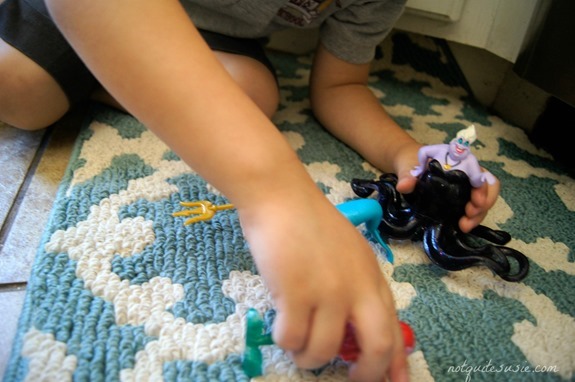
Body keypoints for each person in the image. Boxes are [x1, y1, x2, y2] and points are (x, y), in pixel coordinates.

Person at [0, 0, 500, 380]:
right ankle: (115, 60)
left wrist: (405, 154)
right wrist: (275, 192)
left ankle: (129, 71)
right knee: (23, 94)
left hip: (207, 32)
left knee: (254, 96)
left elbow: (340, 86)